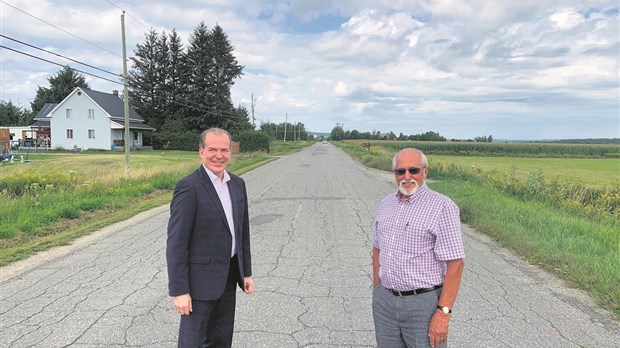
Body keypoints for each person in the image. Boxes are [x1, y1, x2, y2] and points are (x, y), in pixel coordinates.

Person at [166, 128, 254, 348]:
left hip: (228, 277)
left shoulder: (237, 184)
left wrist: (247, 272)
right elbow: (176, 243)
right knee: (192, 342)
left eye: (224, 150)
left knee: (221, 339)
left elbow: (241, 232)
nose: (219, 155)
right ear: (201, 152)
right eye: (212, 149)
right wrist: (179, 291)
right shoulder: (189, 187)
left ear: (230, 152)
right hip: (199, 283)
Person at [372, 148, 465, 348]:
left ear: (425, 171)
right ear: (395, 174)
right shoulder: (386, 204)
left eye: (413, 170)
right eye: (400, 171)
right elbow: (377, 247)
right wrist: (377, 288)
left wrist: (443, 312)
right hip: (385, 301)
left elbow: (455, 263)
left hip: (423, 305)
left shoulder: (442, 207)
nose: (407, 176)